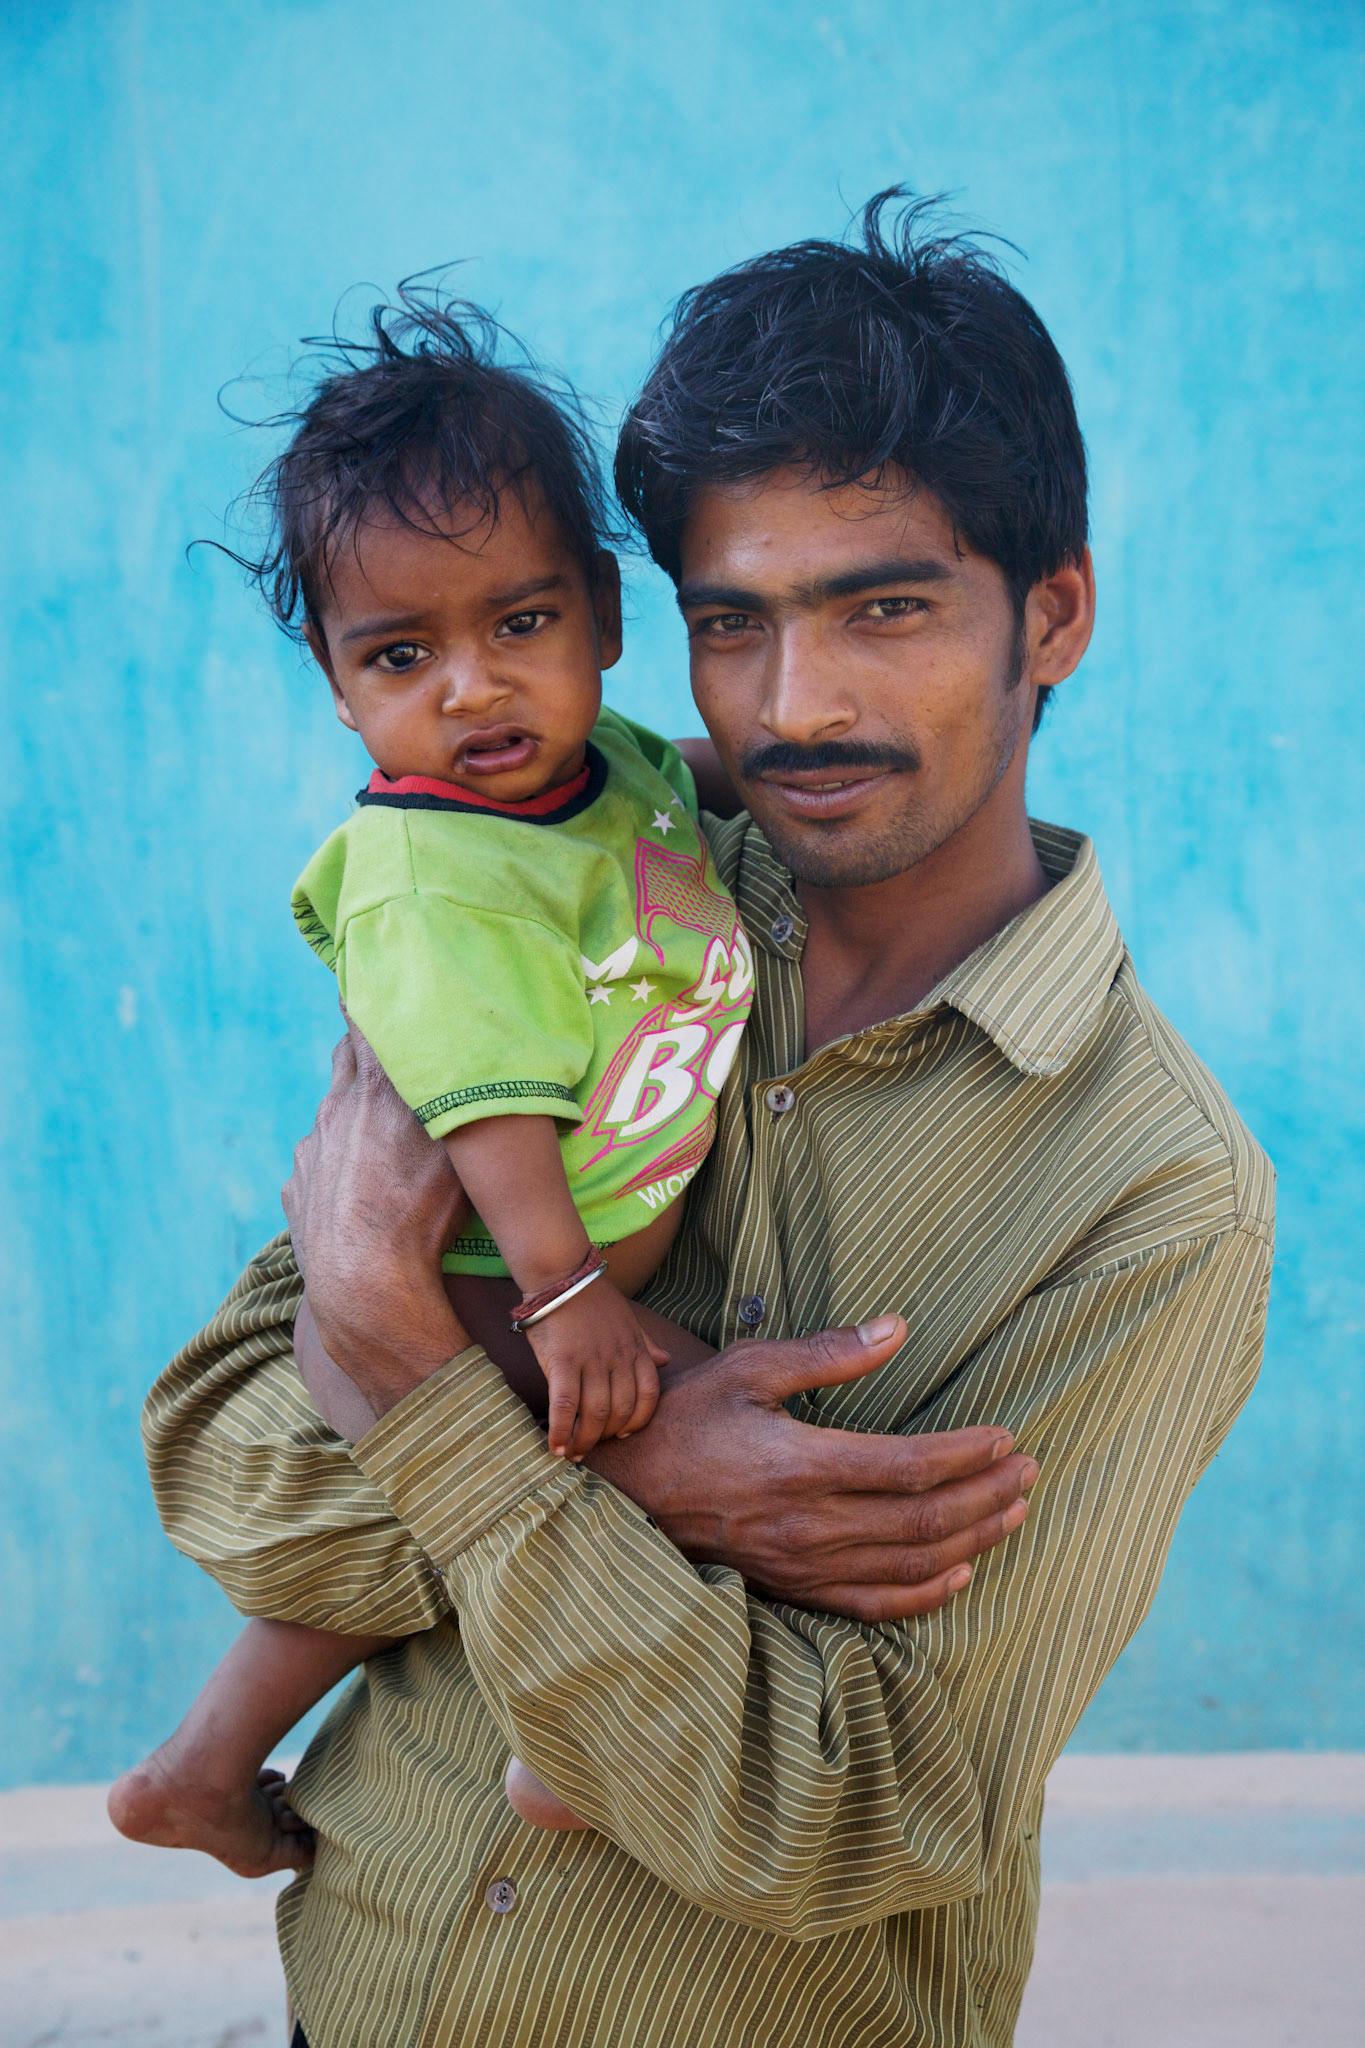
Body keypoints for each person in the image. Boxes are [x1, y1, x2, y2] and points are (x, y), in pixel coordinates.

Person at [135, 193, 1273, 2048]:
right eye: (727, 623)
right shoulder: (576, 902)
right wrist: (638, 1452)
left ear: (1050, 610)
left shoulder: (1152, 1203)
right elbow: (228, 1460)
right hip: (357, 1975)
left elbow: (850, 1810)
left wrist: (429, 1371)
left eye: (881, 608)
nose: (789, 704)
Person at [108, 294, 757, 1867]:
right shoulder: (436, 874)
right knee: (731, 1454)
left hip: (557, 1275)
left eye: (516, 626)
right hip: (485, 1276)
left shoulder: (614, 771)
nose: (470, 688)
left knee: (410, 1535)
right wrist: (558, 1299)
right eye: (403, 655)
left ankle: (197, 1774)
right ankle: (560, 1739)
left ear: (604, 616)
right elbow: (484, 1103)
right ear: (339, 688)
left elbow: (687, 799)